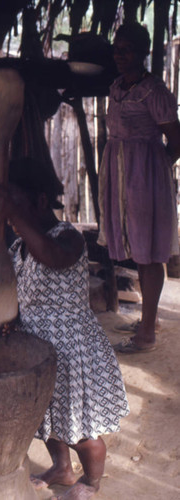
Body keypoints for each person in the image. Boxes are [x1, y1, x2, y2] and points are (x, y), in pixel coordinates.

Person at [0, 157, 129, 500]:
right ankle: (61, 468)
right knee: (47, 418)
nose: (8, 216)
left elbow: (52, 256)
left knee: (81, 427)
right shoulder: (18, 246)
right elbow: (23, 293)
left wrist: (15, 215)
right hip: (38, 350)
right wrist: (10, 319)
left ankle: (92, 481)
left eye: (15, 205)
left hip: (73, 352)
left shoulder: (67, 237)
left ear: (38, 201)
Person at [98, 22, 180, 353]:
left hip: (144, 178)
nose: (119, 54)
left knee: (149, 254)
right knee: (138, 250)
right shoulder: (117, 87)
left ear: (144, 52)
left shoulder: (155, 91)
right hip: (119, 174)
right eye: (117, 48)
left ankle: (146, 335)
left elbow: (175, 140)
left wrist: (153, 170)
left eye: (127, 48)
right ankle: (150, 320)